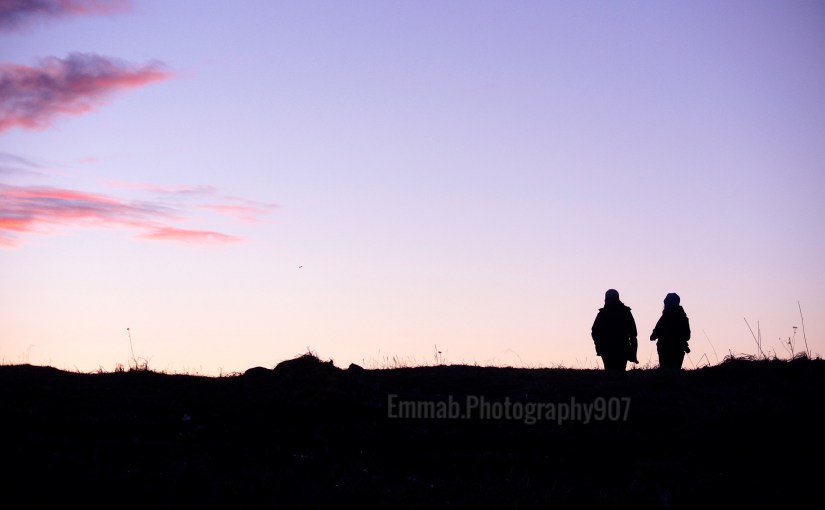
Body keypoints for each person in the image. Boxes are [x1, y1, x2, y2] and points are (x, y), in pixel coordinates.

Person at [591, 289, 639, 371]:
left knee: (610, 373)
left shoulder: (603, 314)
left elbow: (595, 332)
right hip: (620, 348)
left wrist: (599, 346)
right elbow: (633, 334)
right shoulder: (625, 312)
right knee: (619, 374)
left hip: (610, 349)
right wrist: (633, 353)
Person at [650, 292, 691, 370]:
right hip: (677, 349)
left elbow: (653, 335)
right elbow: (687, 336)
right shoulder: (682, 317)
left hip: (666, 349)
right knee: (674, 373)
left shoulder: (665, 317)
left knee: (666, 374)